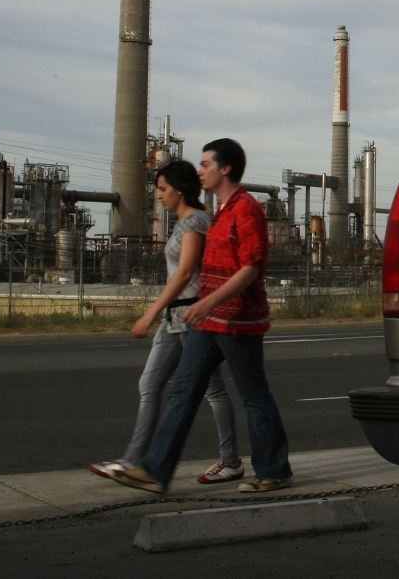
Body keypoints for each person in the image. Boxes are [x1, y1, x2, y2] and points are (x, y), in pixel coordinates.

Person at [108, 138, 292, 494]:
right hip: (208, 322)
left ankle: (274, 469)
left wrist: (207, 302)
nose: (199, 170)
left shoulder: (246, 209)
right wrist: (205, 306)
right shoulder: (221, 211)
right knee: (183, 390)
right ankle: (155, 471)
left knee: (254, 395)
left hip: (239, 321)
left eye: (206, 164)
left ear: (225, 169)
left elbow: (251, 268)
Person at [86, 159, 245, 486]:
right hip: (175, 318)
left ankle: (231, 461)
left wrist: (149, 312)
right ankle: (132, 460)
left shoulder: (196, 221)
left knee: (213, 390)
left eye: (162, 189)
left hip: (191, 316)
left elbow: (186, 272)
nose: (158, 195)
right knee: (150, 384)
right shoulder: (182, 222)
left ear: (180, 189)